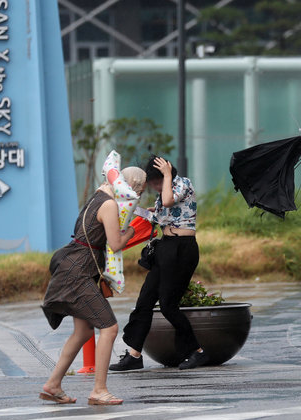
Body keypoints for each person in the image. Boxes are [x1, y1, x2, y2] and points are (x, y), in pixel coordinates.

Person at [40, 166, 146, 406]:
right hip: (79, 273)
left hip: (76, 268)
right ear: (130, 186)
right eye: (139, 189)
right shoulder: (109, 204)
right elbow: (116, 243)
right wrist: (134, 229)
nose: (138, 194)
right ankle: (99, 389)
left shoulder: (98, 197)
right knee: (109, 328)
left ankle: (53, 385)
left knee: (84, 331)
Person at [110, 156, 208, 371]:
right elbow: (158, 217)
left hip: (183, 248)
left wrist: (166, 175)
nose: (154, 186)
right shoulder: (160, 195)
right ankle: (134, 354)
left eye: (157, 181)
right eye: (152, 183)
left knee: (168, 305)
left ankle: (196, 351)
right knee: (144, 300)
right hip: (165, 247)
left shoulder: (183, 183)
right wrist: (133, 207)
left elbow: (168, 202)